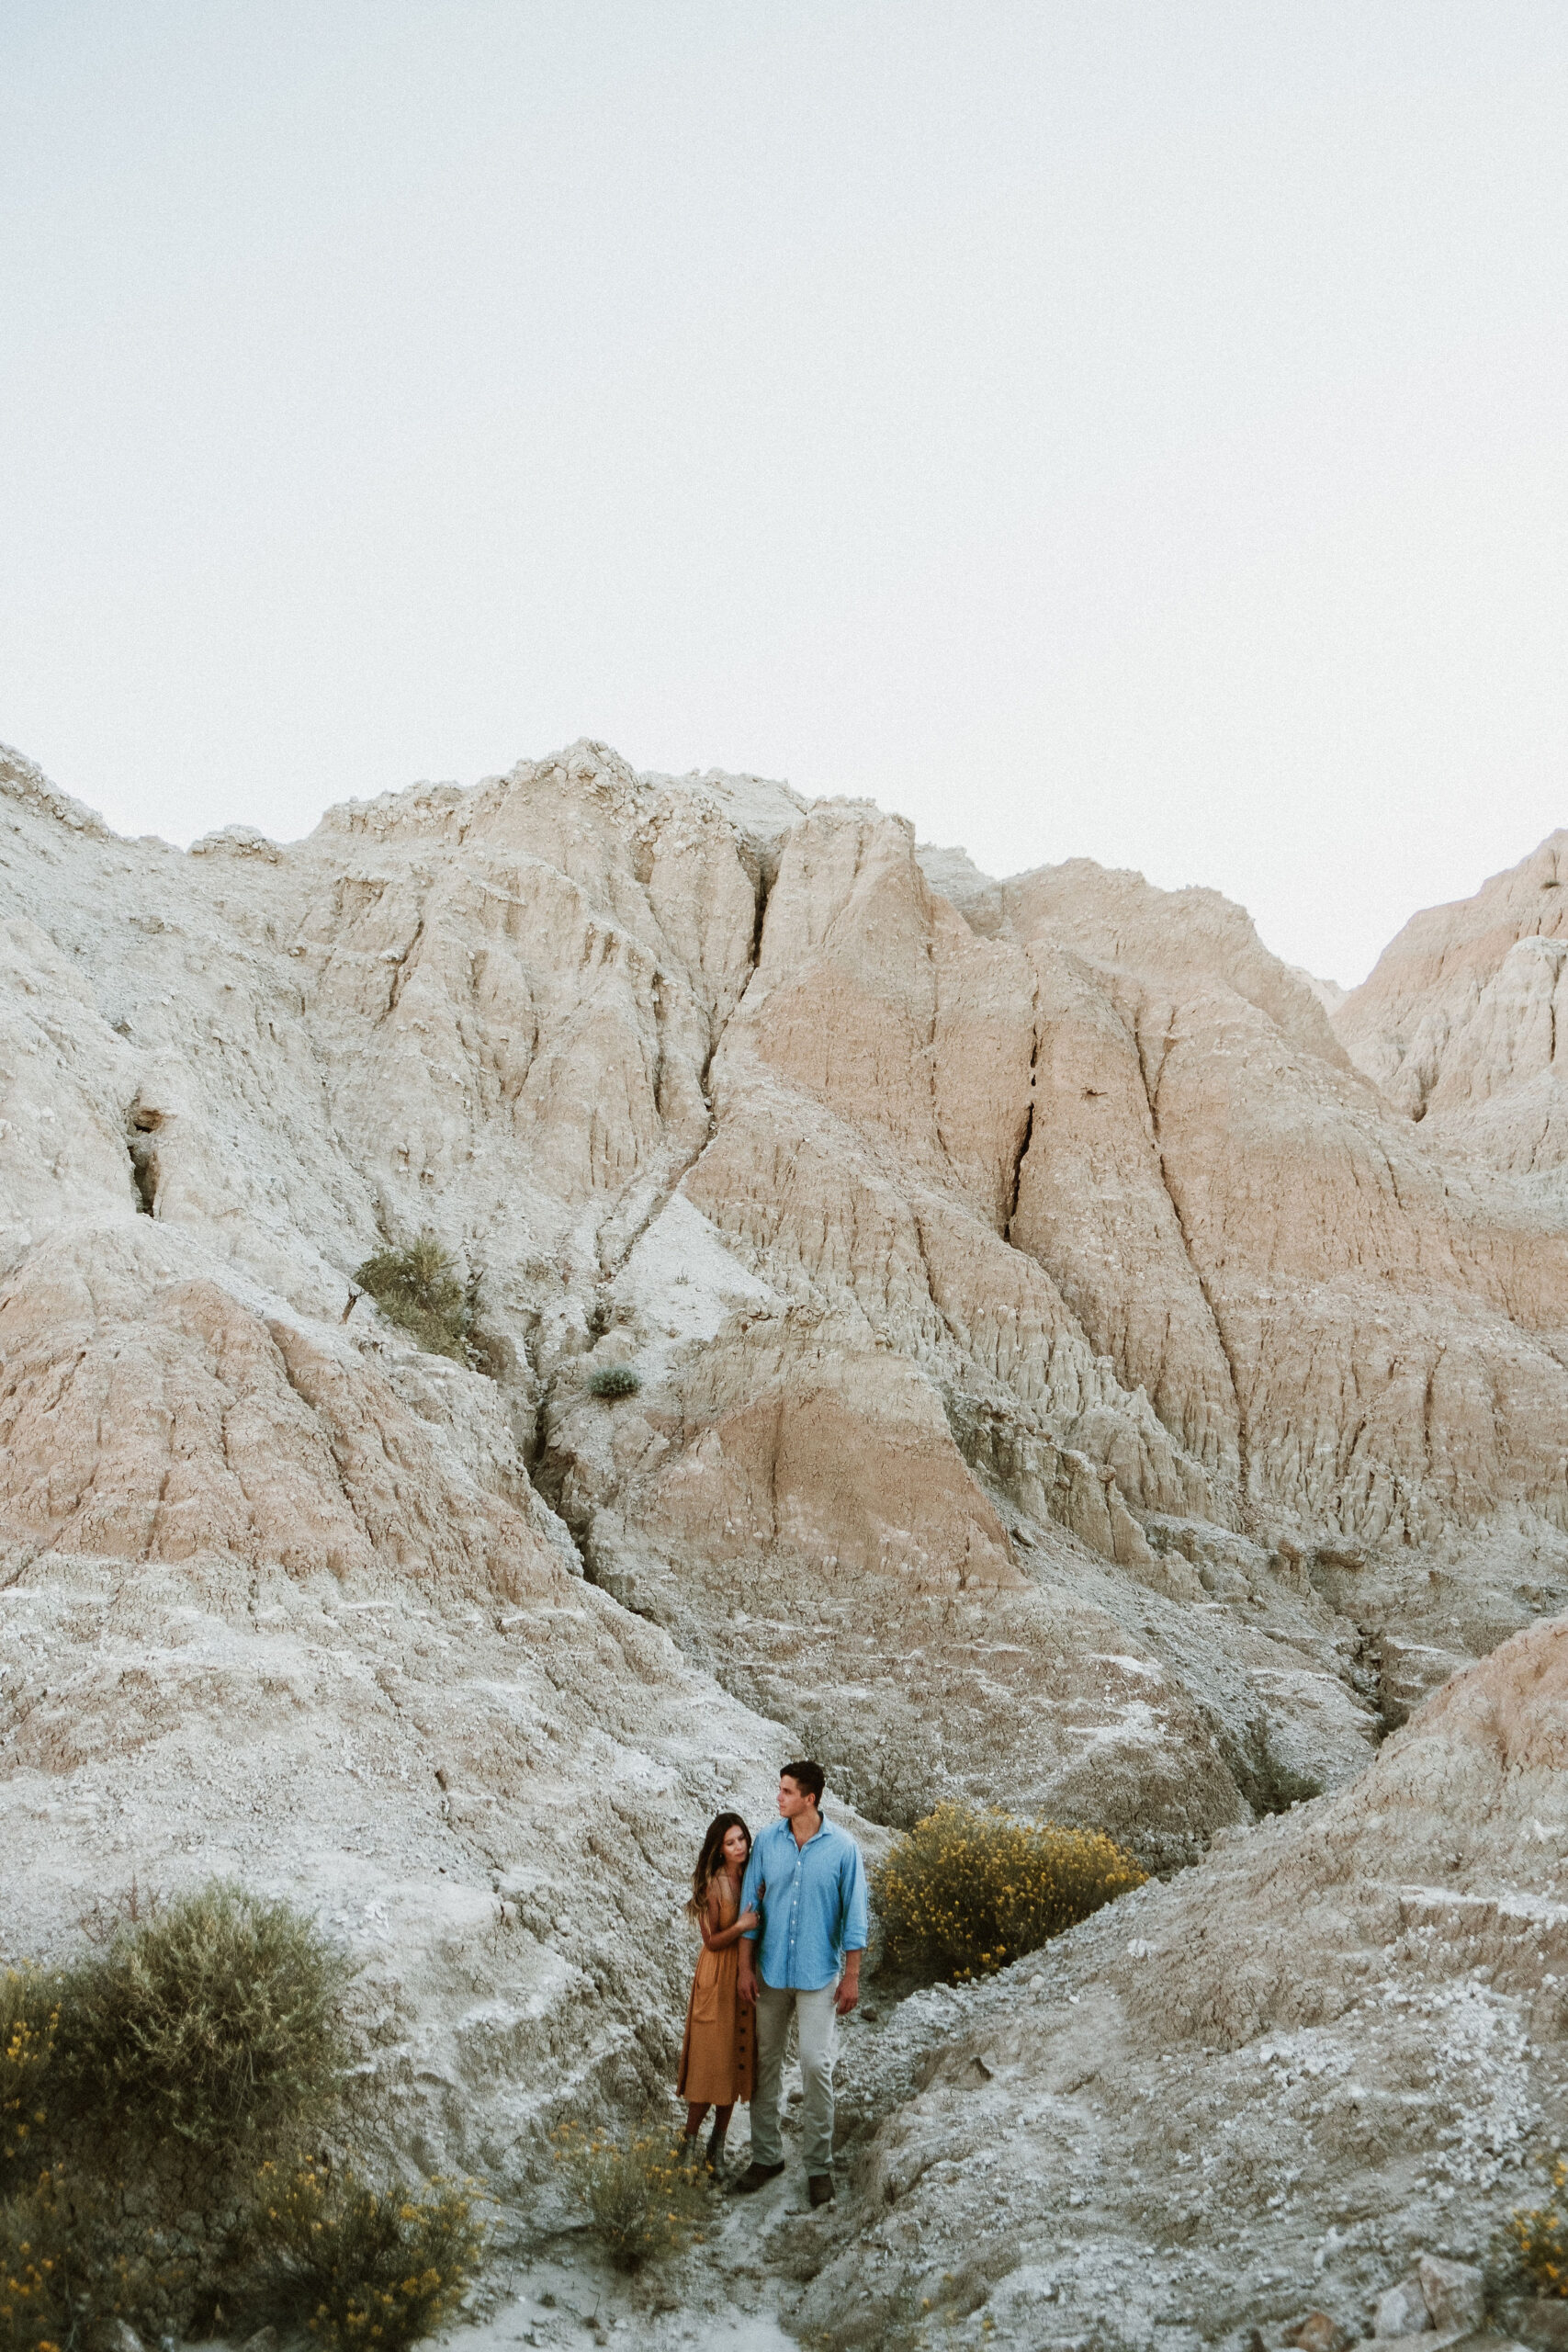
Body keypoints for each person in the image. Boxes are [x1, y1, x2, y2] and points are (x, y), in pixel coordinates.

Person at [732, 1759, 868, 2207]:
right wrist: (744, 1968)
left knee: (815, 2064)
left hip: (818, 1977)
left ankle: (818, 2166)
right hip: (771, 1973)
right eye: (779, 1790)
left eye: (787, 1791)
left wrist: (851, 1977)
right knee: (764, 2063)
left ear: (810, 1799)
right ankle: (767, 2156)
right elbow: (750, 1908)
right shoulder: (768, 1841)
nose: (779, 1798)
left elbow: (855, 1918)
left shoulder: (844, 1848)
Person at [676, 1812, 759, 2174]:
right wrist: (741, 1925)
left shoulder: (753, 1876)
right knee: (709, 2066)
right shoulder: (714, 1883)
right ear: (719, 1849)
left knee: (736, 2061)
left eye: (741, 1838)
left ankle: (716, 2149)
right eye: (730, 1842)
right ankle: (686, 2148)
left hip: (744, 1975)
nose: (739, 1846)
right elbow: (710, 1941)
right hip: (716, 1976)